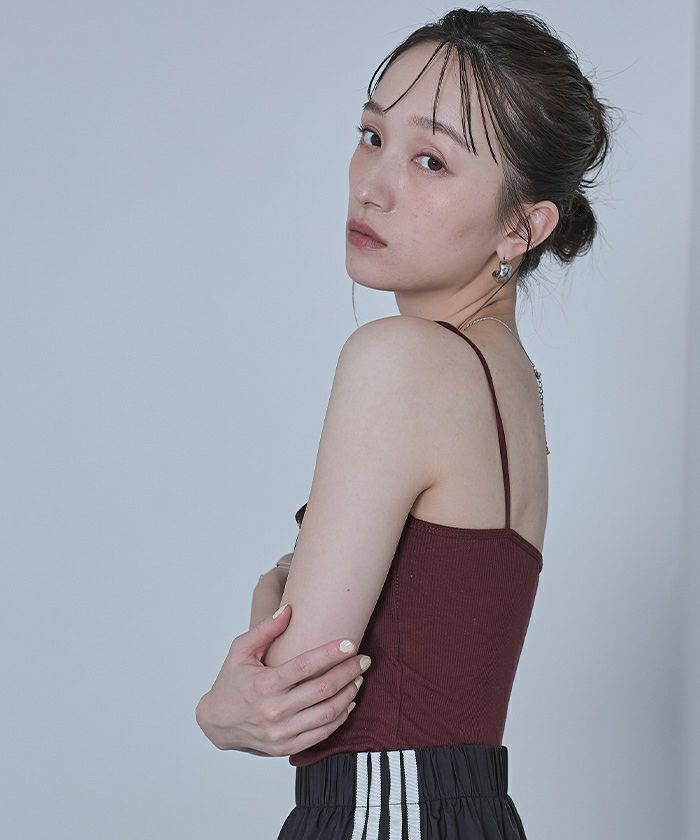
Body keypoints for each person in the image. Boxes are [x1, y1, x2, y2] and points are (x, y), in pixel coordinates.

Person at [196, 6, 619, 838]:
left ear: (523, 226)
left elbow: (291, 686)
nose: (373, 184)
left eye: (431, 160)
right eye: (372, 135)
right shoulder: (509, 382)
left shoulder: (404, 359)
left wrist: (257, 617)